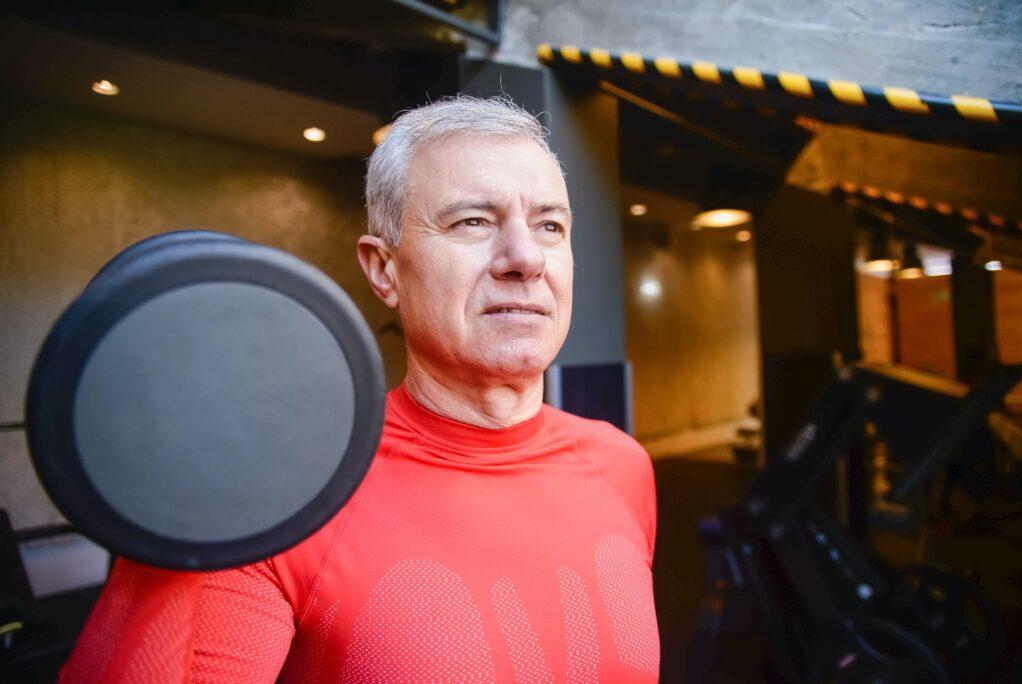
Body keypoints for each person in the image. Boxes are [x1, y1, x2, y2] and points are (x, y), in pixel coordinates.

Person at [62, 95, 659, 682]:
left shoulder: (621, 465)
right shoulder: (284, 497)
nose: (525, 257)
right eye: (472, 221)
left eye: (549, 225)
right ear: (384, 270)